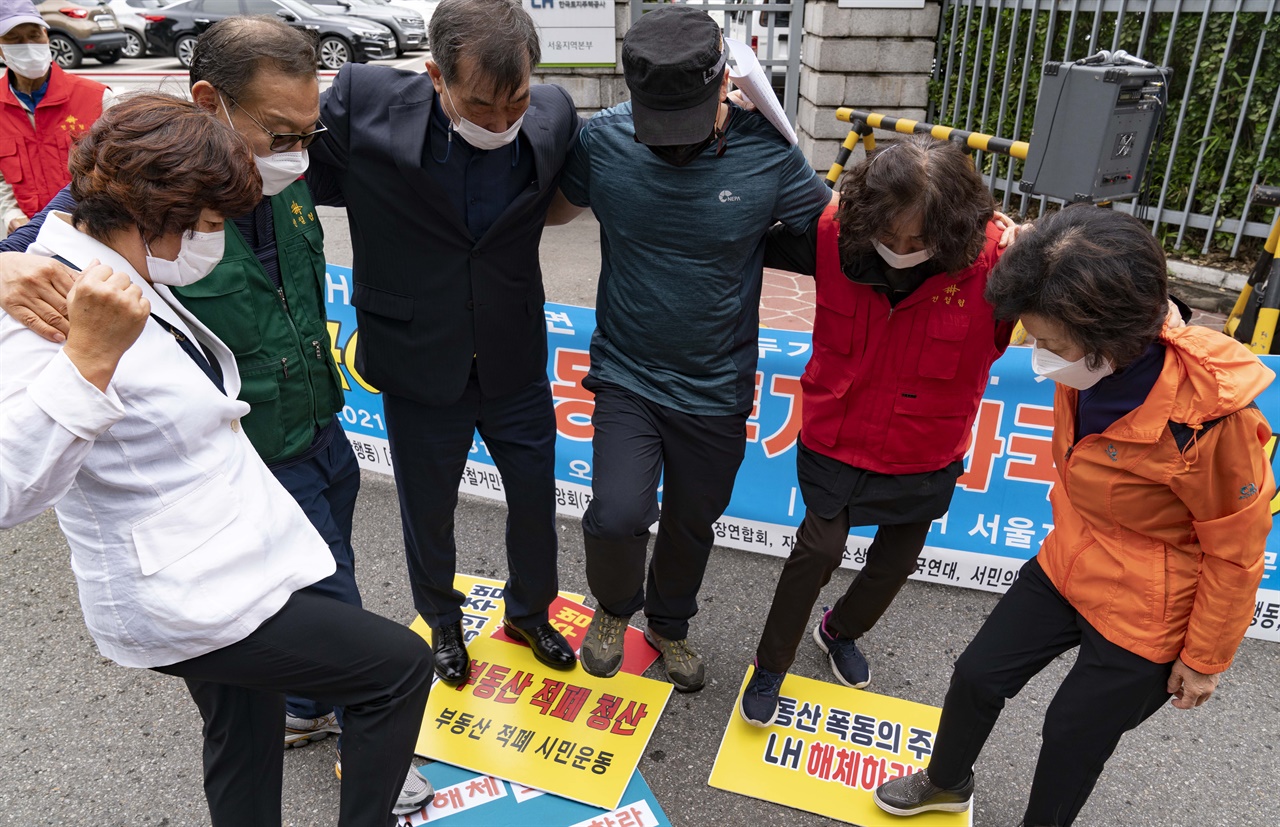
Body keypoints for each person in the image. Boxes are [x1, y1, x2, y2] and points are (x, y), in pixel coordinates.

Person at [0, 17, 433, 811]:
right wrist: (82, 351)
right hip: (186, 583)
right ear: (154, 208)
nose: (214, 239)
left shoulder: (128, 242)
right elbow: (8, 484)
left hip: (249, 515)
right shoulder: (55, 297)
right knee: (395, 668)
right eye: (205, 226)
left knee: (245, 722)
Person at [872, 206, 1274, 826]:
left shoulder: (1210, 421)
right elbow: (1045, 251)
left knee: (1071, 736)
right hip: (1072, 557)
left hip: (1151, 604)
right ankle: (946, 781)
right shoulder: (1091, 339)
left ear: (1111, 334)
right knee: (978, 674)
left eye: (1053, 344)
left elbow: (1237, 550)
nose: (1042, 357)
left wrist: (1203, 660)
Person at [559, 5, 834, 692]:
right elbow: (549, 204)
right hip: (628, 370)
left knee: (692, 520)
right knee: (617, 511)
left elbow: (834, 236)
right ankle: (614, 608)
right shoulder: (604, 142)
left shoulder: (769, 155)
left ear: (724, 85)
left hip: (716, 386)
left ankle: (669, 625)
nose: (671, 144)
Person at [305, 0, 578, 683]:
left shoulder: (551, 115)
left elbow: (564, 195)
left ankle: (530, 611)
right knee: (428, 511)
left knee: (536, 504)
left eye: (513, 100)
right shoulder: (362, 105)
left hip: (513, 358)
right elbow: (293, 169)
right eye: (481, 103)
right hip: (419, 360)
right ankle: (444, 623)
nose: (500, 120)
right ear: (435, 76)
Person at [736, 135, 1018, 725]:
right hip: (836, 430)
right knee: (816, 550)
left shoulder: (998, 261)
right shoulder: (835, 231)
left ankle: (839, 630)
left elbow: (1095, 291)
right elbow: (736, 224)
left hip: (925, 446)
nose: (901, 251)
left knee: (896, 560)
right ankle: (769, 667)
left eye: (919, 242)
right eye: (888, 237)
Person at [0, 0, 110, 237]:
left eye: (34, 35)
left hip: (95, 233)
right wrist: (11, 215)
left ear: (46, 36)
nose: (27, 46)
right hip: (30, 237)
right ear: (0, 48)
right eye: (14, 39)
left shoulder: (98, 98)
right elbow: (2, 179)